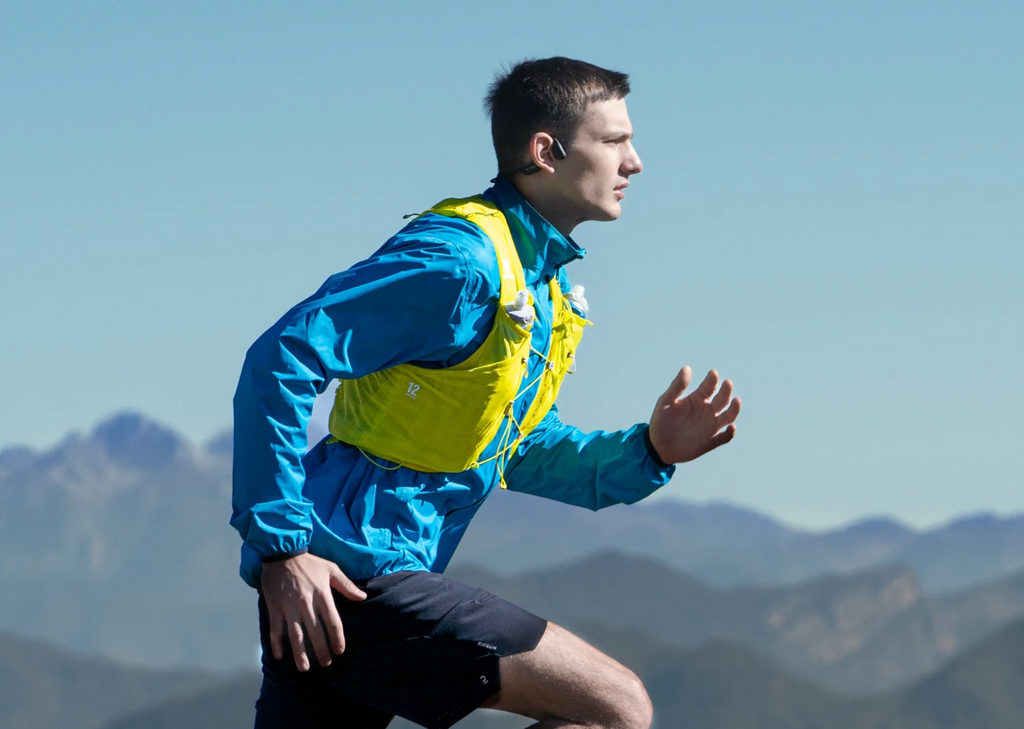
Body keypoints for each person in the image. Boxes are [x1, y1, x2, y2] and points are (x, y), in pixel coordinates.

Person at [231, 56, 741, 729]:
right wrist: (282, 551)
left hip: (347, 579)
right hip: (344, 571)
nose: (635, 162)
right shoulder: (458, 262)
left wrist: (648, 451)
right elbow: (281, 356)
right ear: (544, 152)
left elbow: (517, 447)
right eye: (615, 141)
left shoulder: (540, 286)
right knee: (617, 706)